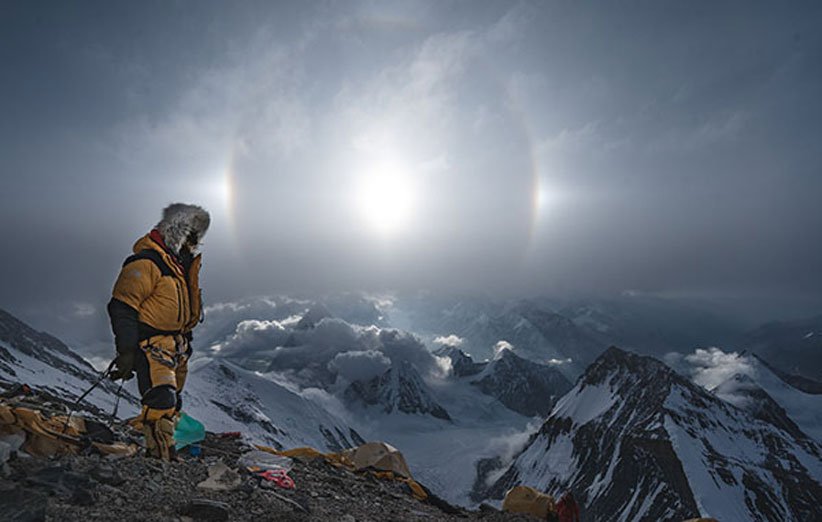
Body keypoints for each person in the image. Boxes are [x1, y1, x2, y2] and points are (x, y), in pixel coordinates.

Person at [107, 203, 210, 459]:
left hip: (176, 346)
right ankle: (158, 458)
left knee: (173, 403)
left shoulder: (179, 269)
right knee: (160, 400)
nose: (193, 242)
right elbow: (122, 306)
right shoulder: (146, 263)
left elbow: (182, 311)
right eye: (190, 234)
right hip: (152, 345)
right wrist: (127, 351)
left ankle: (164, 451)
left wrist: (186, 340)